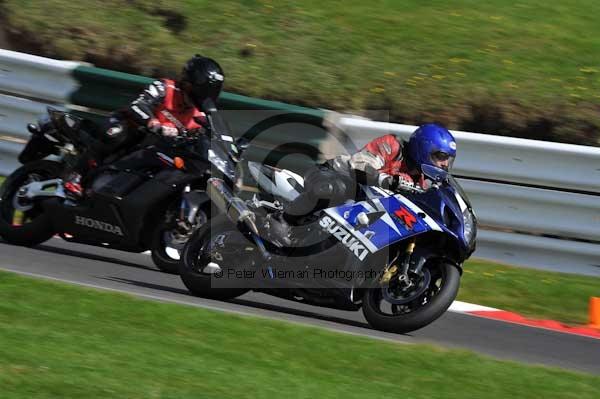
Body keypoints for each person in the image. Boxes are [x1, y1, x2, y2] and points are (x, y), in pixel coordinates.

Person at [63, 54, 225, 199]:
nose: (207, 97)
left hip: (159, 149)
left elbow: (208, 137)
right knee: (115, 133)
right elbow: (137, 105)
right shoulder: (165, 88)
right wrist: (154, 123)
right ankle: (76, 175)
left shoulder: (200, 115)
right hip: (131, 127)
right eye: (205, 91)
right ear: (190, 84)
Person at [283, 123, 457, 223]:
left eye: (448, 159)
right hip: (331, 174)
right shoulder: (393, 146)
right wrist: (388, 181)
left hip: (361, 208)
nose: (444, 164)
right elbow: (358, 166)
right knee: (334, 188)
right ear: (423, 148)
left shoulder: (421, 182)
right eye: (440, 157)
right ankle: (283, 220)